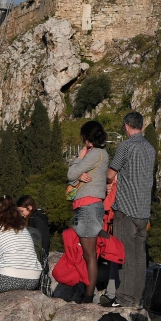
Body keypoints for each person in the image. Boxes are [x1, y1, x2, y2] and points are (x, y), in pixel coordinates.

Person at [105, 112, 156, 309]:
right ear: (141, 126)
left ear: (126, 126)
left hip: (126, 208)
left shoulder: (125, 146)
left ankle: (124, 298)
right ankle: (137, 298)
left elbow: (111, 174)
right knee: (139, 256)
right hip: (143, 209)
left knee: (124, 255)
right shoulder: (150, 148)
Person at [67, 121, 109, 303]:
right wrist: (79, 173)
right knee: (87, 253)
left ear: (88, 138)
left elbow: (70, 174)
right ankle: (88, 292)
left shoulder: (95, 154)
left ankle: (88, 296)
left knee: (89, 253)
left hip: (88, 207)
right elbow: (75, 175)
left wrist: (79, 158)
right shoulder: (99, 154)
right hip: (89, 206)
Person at [17, 195, 51, 260]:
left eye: (22, 211)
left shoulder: (38, 219)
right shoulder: (29, 218)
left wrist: (43, 255)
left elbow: (44, 238)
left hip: (37, 254)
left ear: (29, 207)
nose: (20, 214)